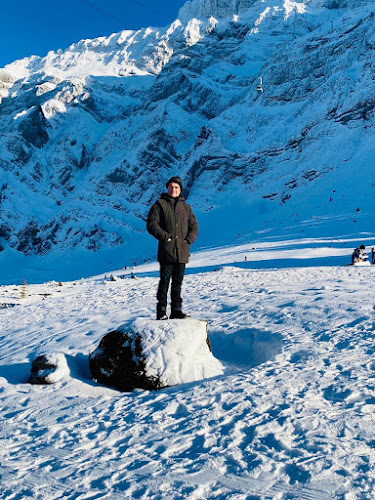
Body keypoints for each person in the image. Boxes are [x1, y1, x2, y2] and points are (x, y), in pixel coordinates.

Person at [147, 176, 198, 320]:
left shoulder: (186, 208)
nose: (173, 189)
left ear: (180, 190)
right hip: (166, 252)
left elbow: (194, 226)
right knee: (164, 282)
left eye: (176, 187)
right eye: (171, 187)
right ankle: (161, 312)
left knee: (177, 283)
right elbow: (151, 224)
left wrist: (188, 240)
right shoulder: (159, 205)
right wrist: (165, 237)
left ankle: (176, 311)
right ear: (167, 188)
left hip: (181, 252)